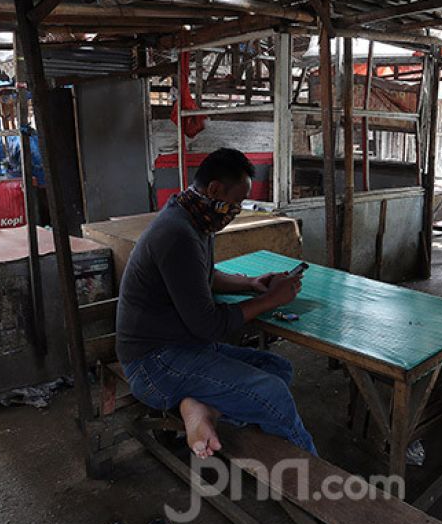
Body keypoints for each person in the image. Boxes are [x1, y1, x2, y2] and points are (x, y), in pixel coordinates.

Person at [116, 147, 317, 457]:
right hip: (154, 365)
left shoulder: (191, 217)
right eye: (235, 203)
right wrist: (271, 300)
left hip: (179, 347)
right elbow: (208, 324)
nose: (235, 211)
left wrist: (251, 284)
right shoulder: (177, 234)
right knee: (273, 393)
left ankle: (199, 406)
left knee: (276, 367)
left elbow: (201, 276)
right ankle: (311, 480)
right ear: (213, 190)